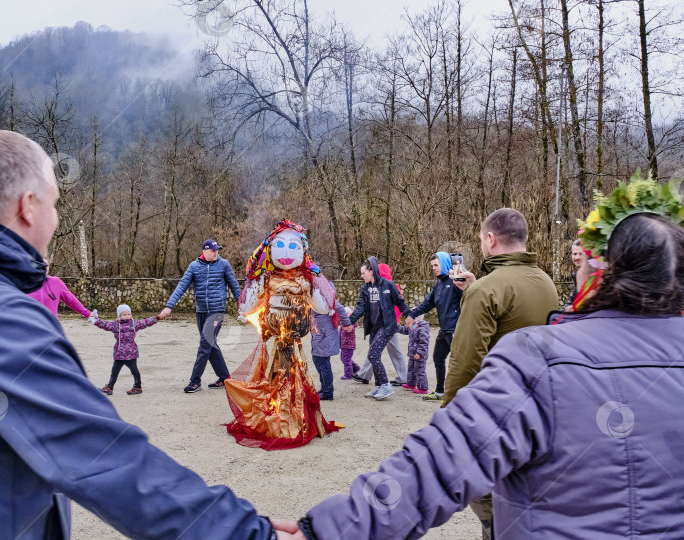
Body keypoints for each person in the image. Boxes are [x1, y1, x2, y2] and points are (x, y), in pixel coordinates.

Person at [0, 130, 280, 538]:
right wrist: (248, 533)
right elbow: (106, 460)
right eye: (53, 204)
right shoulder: (0, 319)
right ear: (28, 205)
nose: (55, 219)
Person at [274, 179, 684, 540]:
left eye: (581, 259)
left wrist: (330, 530)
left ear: (598, 269)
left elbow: (441, 460)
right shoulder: (540, 283)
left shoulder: (537, 358)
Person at [445, 208, 559, 539]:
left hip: (496, 418)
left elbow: (466, 362)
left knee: (489, 505)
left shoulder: (486, 291)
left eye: (482, 239)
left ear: (490, 239)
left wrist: (450, 420)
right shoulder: (545, 282)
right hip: (539, 417)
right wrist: (479, 287)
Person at [228, 220, 341, 449]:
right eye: (281, 246)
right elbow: (253, 300)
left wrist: (324, 300)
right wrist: (246, 308)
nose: (287, 253)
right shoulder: (268, 278)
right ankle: (280, 415)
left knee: (293, 376)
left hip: (294, 336)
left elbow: (320, 304)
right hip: (277, 335)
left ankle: (291, 417)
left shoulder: (305, 280)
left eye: (293, 247)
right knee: (279, 376)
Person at [159, 238, 242, 393]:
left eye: (217, 250)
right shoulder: (194, 266)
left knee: (205, 345)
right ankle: (225, 378)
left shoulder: (224, 265)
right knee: (210, 345)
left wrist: (243, 306)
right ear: (204, 251)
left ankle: (195, 381)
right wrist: (169, 306)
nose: (216, 253)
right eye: (213, 250)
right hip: (201, 311)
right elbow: (181, 286)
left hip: (216, 311)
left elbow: (235, 287)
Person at [347, 256, 416, 401]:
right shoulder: (365, 289)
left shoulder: (388, 285)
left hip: (387, 326)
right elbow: (360, 308)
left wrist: (410, 317)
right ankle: (378, 386)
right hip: (374, 328)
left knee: (373, 355)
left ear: (371, 271)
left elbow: (400, 302)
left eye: (363, 273)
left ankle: (385, 385)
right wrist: (349, 321)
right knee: (374, 356)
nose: (361, 276)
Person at [405, 251, 463, 401]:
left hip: (456, 329)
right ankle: (439, 391)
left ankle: (463, 395)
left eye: (436, 265)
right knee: (438, 358)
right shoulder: (439, 284)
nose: (434, 268)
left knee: (460, 363)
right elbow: (427, 303)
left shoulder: (456, 281)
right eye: (432, 266)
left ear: (444, 264)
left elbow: (469, 296)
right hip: (445, 330)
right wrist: (412, 315)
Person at [93, 304, 159, 396]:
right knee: (114, 371)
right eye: (124, 314)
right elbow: (105, 324)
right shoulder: (115, 325)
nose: (127, 316)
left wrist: (156, 318)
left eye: (128, 314)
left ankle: (138, 387)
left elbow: (145, 322)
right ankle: (110, 387)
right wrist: (95, 320)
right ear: (119, 316)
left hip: (131, 352)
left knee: (134, 370)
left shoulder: (134, 323)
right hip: (119, 353)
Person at [310, 283, 352, 400]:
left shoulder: (328, 301)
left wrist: (347, 323)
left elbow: (341, 310)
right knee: (317, 361)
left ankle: (328, 392)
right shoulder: (316, 301)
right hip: (319, 336)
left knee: (324, 364)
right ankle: (324, 388)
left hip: (325, 337)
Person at [28, 257, 92, 319]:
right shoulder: (23, 284)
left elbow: (71, 300)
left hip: (51, 327)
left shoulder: (56, 282)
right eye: (41, 265)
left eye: (46, 266)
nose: (44, 268)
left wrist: (87, 313)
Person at [398, 315, 430, 394]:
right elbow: (406, 330)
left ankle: (423, 388)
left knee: (419, 371)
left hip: (419, 355)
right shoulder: (415, 326)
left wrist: (419, 353)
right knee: (411, 369)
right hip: (412, 354)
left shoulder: (422, 329)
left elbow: (424, 343)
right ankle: (411, 383)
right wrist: (396, 326)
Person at [338, 307, 359, 379]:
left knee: (346, 360)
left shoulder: (351, 323)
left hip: (349, 345)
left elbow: (350, 329)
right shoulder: (343, 323)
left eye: (347, 313)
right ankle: (356, 368)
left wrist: (345, 324)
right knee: (344, 359)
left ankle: (348, 374)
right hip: (343, 345)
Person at [566, 238, 586, 305]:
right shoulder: (577, 275)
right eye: (574, 254)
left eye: (581, 254)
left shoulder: (595, 275)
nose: (577, 257)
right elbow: (572, 300)